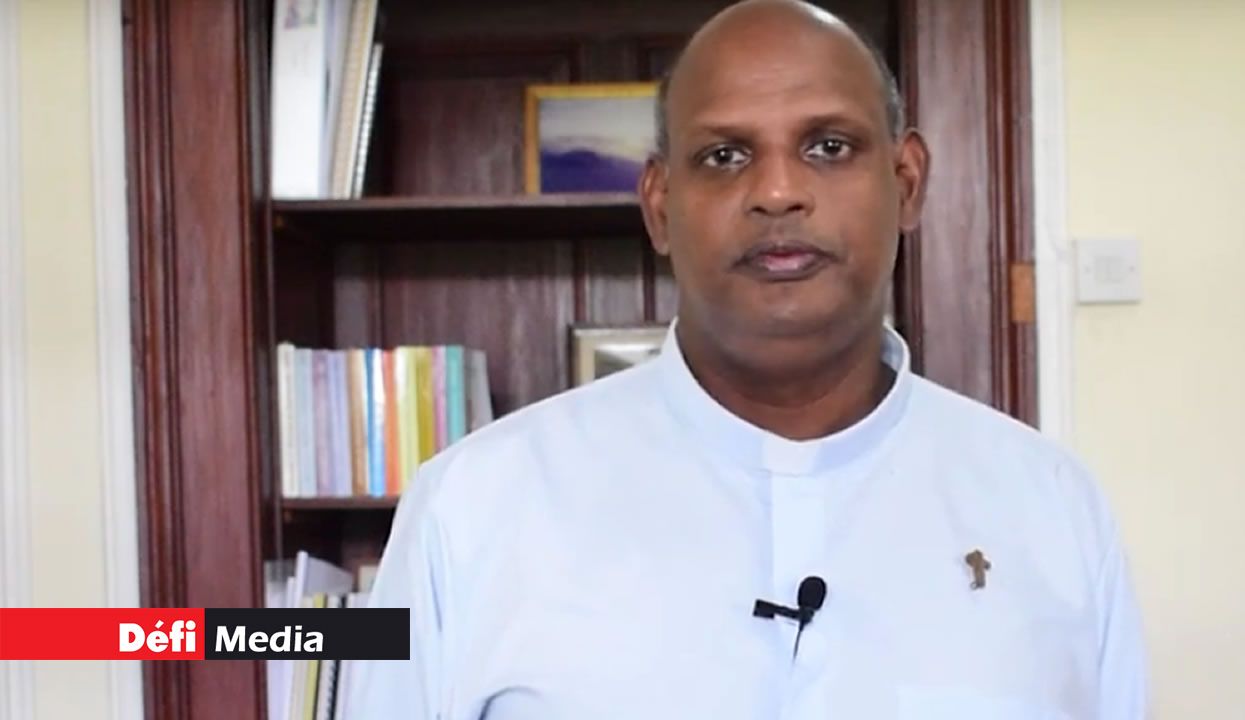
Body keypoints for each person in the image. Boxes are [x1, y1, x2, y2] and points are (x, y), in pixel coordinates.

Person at [348, 1, 1147, 717]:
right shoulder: (471, 508)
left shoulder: (1052, 511)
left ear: (906, 182)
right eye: (726, 156)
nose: (777, 191)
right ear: (660, 205)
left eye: (828, 146)